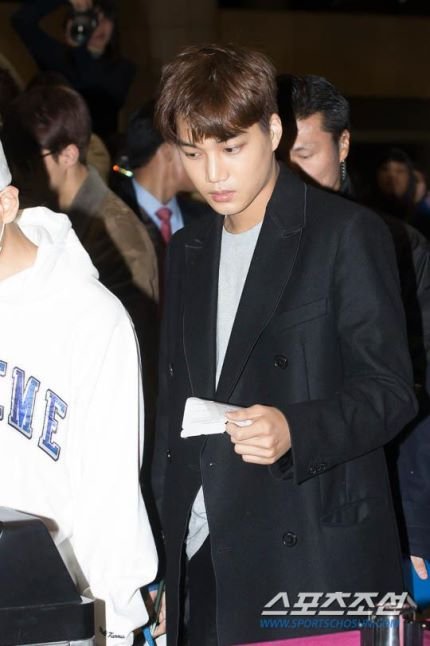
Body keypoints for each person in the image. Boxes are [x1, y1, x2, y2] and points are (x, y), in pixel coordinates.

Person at [152, 44, 417, 645]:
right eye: (192, 153)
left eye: (231, 148)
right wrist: (165, 563)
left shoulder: (345, 233)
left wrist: (296, 428)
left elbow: (391, 391)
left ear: (273, 131)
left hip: (310, 549)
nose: (213, 174)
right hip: (205, 552)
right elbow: (173, 413)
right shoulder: (188, 250)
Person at [278, 72, 430, 598]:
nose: (290, 172)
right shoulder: (241, 244)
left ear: (343, 145)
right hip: (270, 493)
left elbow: (415, 387)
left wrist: (417, 518)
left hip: (365, 490)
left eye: (305, 153)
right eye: (278, 155)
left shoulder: (399, 246)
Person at [0, 139, 157, 646]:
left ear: (6, 204)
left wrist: (114, 629)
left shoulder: (89, 318)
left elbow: (111, 497)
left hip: (52, 615)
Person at [11, 0, 135, 142]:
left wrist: (78, 46)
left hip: (97, 149)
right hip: (56, 142)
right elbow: (21, 21)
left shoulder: (123, 69)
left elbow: (89, 86)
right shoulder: (57, 57)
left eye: (106, 18)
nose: (99, 26)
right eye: (92, 19)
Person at [111, 101, 209, 280]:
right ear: (168, 151)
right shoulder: (109, 221)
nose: (210, 166)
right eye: (196, 152)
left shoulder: (208, 221)